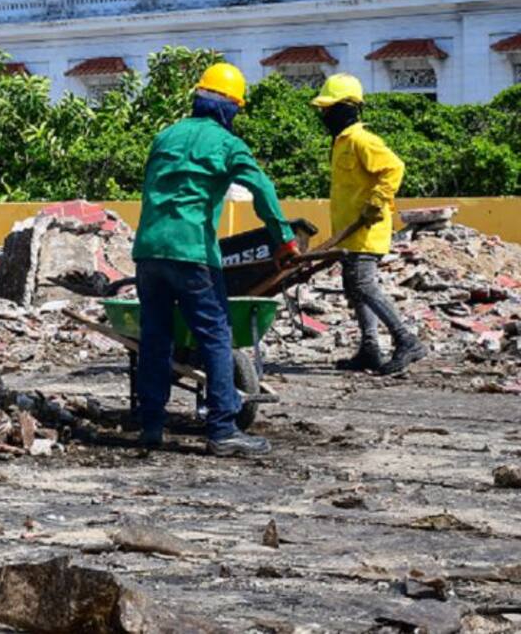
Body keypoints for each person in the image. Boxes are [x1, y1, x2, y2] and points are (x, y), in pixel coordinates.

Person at [131, 62, 298, 458]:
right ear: (229, 108)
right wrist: (284, 240)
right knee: (216, 336)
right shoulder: (227, 144)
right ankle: (222, 428)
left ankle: (151, 425)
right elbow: (260, 187)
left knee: (155, 338)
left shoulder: (165, 135)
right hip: (192, 253)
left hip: (149, 251)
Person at [312, 73, 427, 376]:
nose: (324, 115)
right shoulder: (340, 143)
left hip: (367, 232)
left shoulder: (363, 139)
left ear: (346, 108)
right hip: (349, 233)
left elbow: (393, 168)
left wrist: (376, 201)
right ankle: (370, 348)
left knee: (364, 285)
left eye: (328, 108)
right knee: (354, 289)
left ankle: (406, 340)